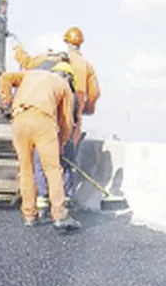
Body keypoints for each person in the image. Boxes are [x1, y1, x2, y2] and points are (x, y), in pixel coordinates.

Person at [13, 26, 101, 213]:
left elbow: (27, 63)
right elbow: (94, 94)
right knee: (66, 157)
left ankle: (43, 197)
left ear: (65, 42)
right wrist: (87, 110)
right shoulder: (86, 65)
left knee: (42, 158)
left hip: (48, 116)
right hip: (71, 118)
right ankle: (66, 196)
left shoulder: (49, 60)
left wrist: (18, 51)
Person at [0, 61, 82, 232]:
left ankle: (29, 215)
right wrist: (61, 144)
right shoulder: (64, 86)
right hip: (43, 122)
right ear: (67, 76)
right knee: (52, 169)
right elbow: (66, 122)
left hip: (19, 120)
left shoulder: (30, 74)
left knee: (26, 169)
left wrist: (8, 100)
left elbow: (5, 77)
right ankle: (59, 215)